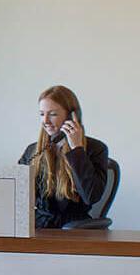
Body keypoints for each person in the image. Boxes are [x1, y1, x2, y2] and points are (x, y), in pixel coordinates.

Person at [16, 84, 111, 229]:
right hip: (39, 226)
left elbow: (91, 196)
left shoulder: (96, 149)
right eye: (42, 114)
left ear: (71, 117)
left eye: (52, 114)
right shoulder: (33, 151)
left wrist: (76, 149)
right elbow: (18, 193)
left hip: (74, 229)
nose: (45, 121)